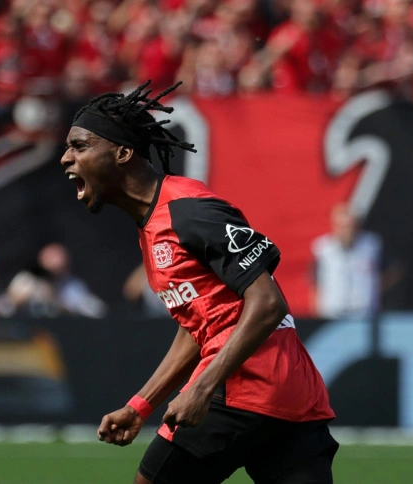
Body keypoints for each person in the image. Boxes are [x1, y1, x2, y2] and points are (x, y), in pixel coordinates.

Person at [60, 80, 338, 484]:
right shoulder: (154, 224)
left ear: (122, 153)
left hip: (240, 388)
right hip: (290, 397)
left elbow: (268, 303)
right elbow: (200, 324)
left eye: (80, 146)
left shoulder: (189, 211)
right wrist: (141, 405)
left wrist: (203, 388)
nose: (67, 159)